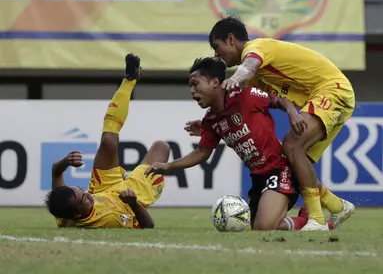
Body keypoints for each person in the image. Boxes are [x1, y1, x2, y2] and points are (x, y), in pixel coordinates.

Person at [185, 16, 356, 231]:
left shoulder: (256, 48)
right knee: (294, 161)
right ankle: (337, 206)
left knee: (292, 145)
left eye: (216, 47)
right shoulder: (258, 77)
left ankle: (317, 220)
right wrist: (208, 124)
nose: (216, 55)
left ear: (230, 39)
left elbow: (248, 66)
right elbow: (238, 107)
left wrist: (234, 79)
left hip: (332, 89)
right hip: (321, 98)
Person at [145, 57, 332, 231]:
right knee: (255, 225)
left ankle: (312, 220)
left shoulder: (247, 96)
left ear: (215, 82)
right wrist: (169, 166)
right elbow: (201, 153)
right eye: (190, 86)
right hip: (258, 177)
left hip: (280, 168)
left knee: (264, 226)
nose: (192, 91)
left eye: (195, 84)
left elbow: (280, 100)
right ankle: (302, 218)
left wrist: (293, 113)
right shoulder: (211, 120)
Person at [45, 53, 170, 229]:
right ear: (78, 215)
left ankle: (130, 79)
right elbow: (148, 226)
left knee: (108, 141)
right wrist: (133, 203)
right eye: (85, 199)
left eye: (81, 191)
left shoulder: (65, 209)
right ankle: (136, 180)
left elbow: (56, 173)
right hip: (128, 199)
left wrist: (65, 162)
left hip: (103, 187)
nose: (86, 195)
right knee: (161, 147)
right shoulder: (109, 220)